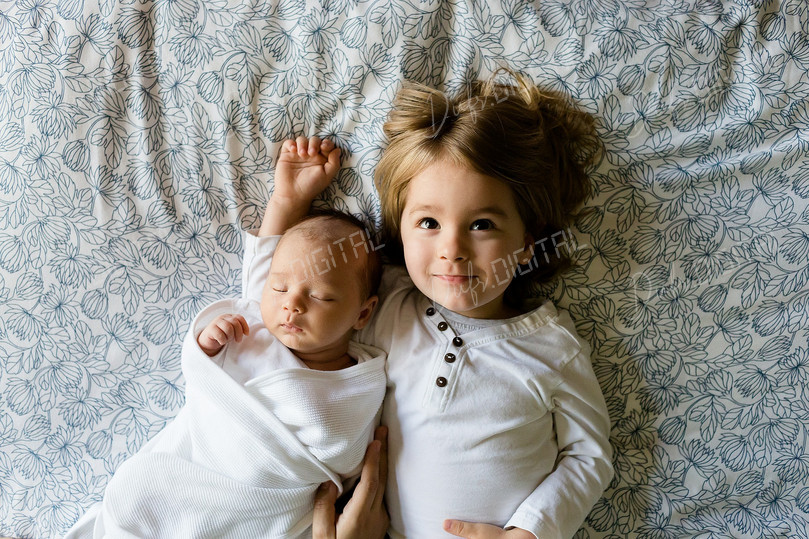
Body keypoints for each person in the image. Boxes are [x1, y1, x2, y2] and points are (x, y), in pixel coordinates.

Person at [280, 70, 615, 539]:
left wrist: (531, 531)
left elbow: (590, 457)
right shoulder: (384, 305)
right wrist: (288, 204)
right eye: (429, 223)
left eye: (481, 225)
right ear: (400, 230)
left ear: (525, 244)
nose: (452, 249)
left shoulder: (551, 347)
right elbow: (288, 295)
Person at [65, 141, 388, 539]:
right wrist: (207, 345)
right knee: (138, 503)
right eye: (280, 288)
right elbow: (267, 261)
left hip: (261, 506)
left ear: (363, 313)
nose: (292, 305)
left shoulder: (362, 381)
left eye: (320, 296)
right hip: (185, 480)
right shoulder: (254, 325)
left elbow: (343, 456)